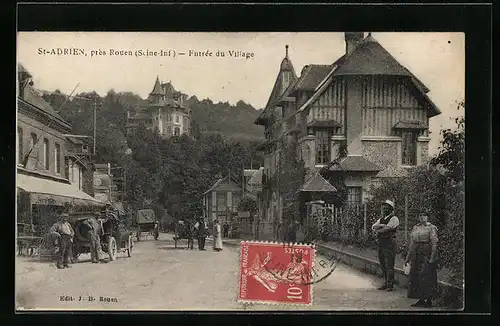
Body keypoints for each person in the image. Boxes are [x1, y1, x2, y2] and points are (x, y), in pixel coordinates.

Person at [405, 213, 439, 308]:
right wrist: (408, 257)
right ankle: (420, 299)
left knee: (426, 275)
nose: (422, 217)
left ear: (428, 217)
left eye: (424, 215)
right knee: (416, 275)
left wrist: (432, 257)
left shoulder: (431, 228)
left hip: (426, 252)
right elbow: (412, 243)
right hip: (416, 253)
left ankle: (428, 300)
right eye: (420, 215)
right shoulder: (415, 227)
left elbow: (434, 243)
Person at [371, 199, 400, 291]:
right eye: (384, 207)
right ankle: (386, 282)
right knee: (382, 263)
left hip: (389, 242)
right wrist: (383, 226)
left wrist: (380, 228)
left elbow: (389, 228)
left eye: (387, 207)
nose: (385, 209)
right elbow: (373, 226)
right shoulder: (381, 219)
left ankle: (390, 284)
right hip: (381, 242)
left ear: (391, 209)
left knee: (389, 264)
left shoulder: (394, 218)